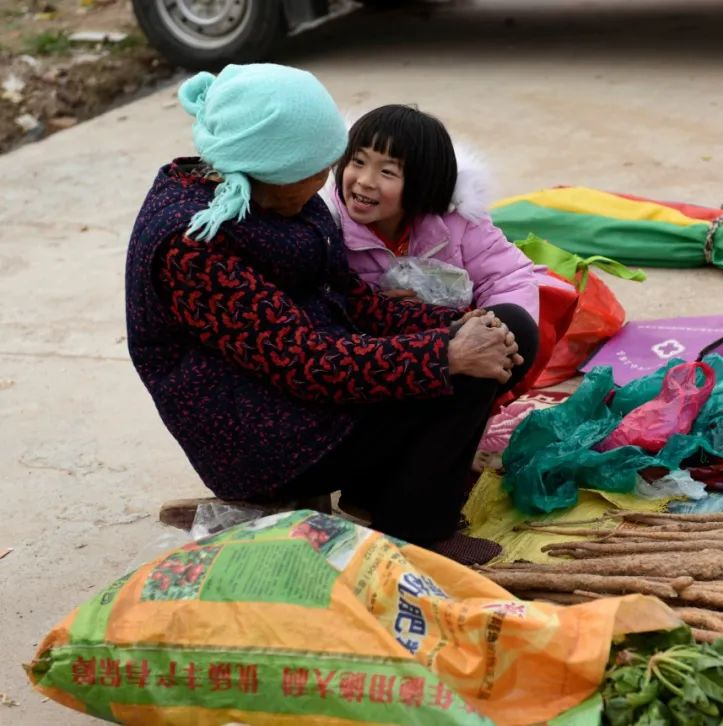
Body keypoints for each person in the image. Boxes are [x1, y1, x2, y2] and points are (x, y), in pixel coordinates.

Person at [125, 64, 536, 565]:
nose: (333, 181)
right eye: (322, 167)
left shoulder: (279, 198)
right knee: (464, 372)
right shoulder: (193, 245)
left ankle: (378, 489)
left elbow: (347, 300)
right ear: (272, 164)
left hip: (315, 398)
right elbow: (305, 363)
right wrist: (443, 353)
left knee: (507, 333)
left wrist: (458, 324)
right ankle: (416, 530)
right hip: (271, 438)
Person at [323, 104, 541, 323]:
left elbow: (508, 278)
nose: (365, 181)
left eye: (387, 172)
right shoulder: (327, 231)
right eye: (358, 162)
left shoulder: (457, 221)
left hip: (463, 338)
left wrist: (495, 332)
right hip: (385, 349)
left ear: (421, 185)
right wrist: (376, 311)